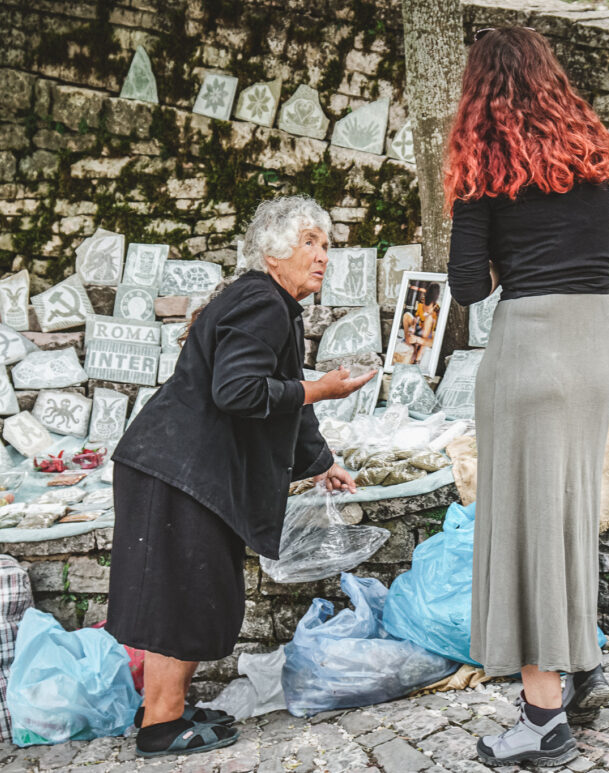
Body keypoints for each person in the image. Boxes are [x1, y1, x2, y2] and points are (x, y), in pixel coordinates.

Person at [106, 195, 376, 758]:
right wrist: (321, 387)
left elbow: (287, 403)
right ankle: (160, 726)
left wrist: (322, 462)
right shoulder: (262, 301)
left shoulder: (272, 304)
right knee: (182, 596)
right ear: (273, 252)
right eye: (310, 242)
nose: (323, 256)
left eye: (326, 245)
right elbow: (240, 391)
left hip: (181, 469)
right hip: (177, 469)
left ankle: (168, 709)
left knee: (194, 591)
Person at [445, 26, 609, 768]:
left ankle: (541, 716)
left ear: (478, 92)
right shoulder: (588, 154)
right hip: (593, 346)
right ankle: (580, 663)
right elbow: (602, 253)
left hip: (531, 349)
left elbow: (465, 286)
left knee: (522, 527)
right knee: (569, 513)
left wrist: (490, 240)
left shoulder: (485, 166)